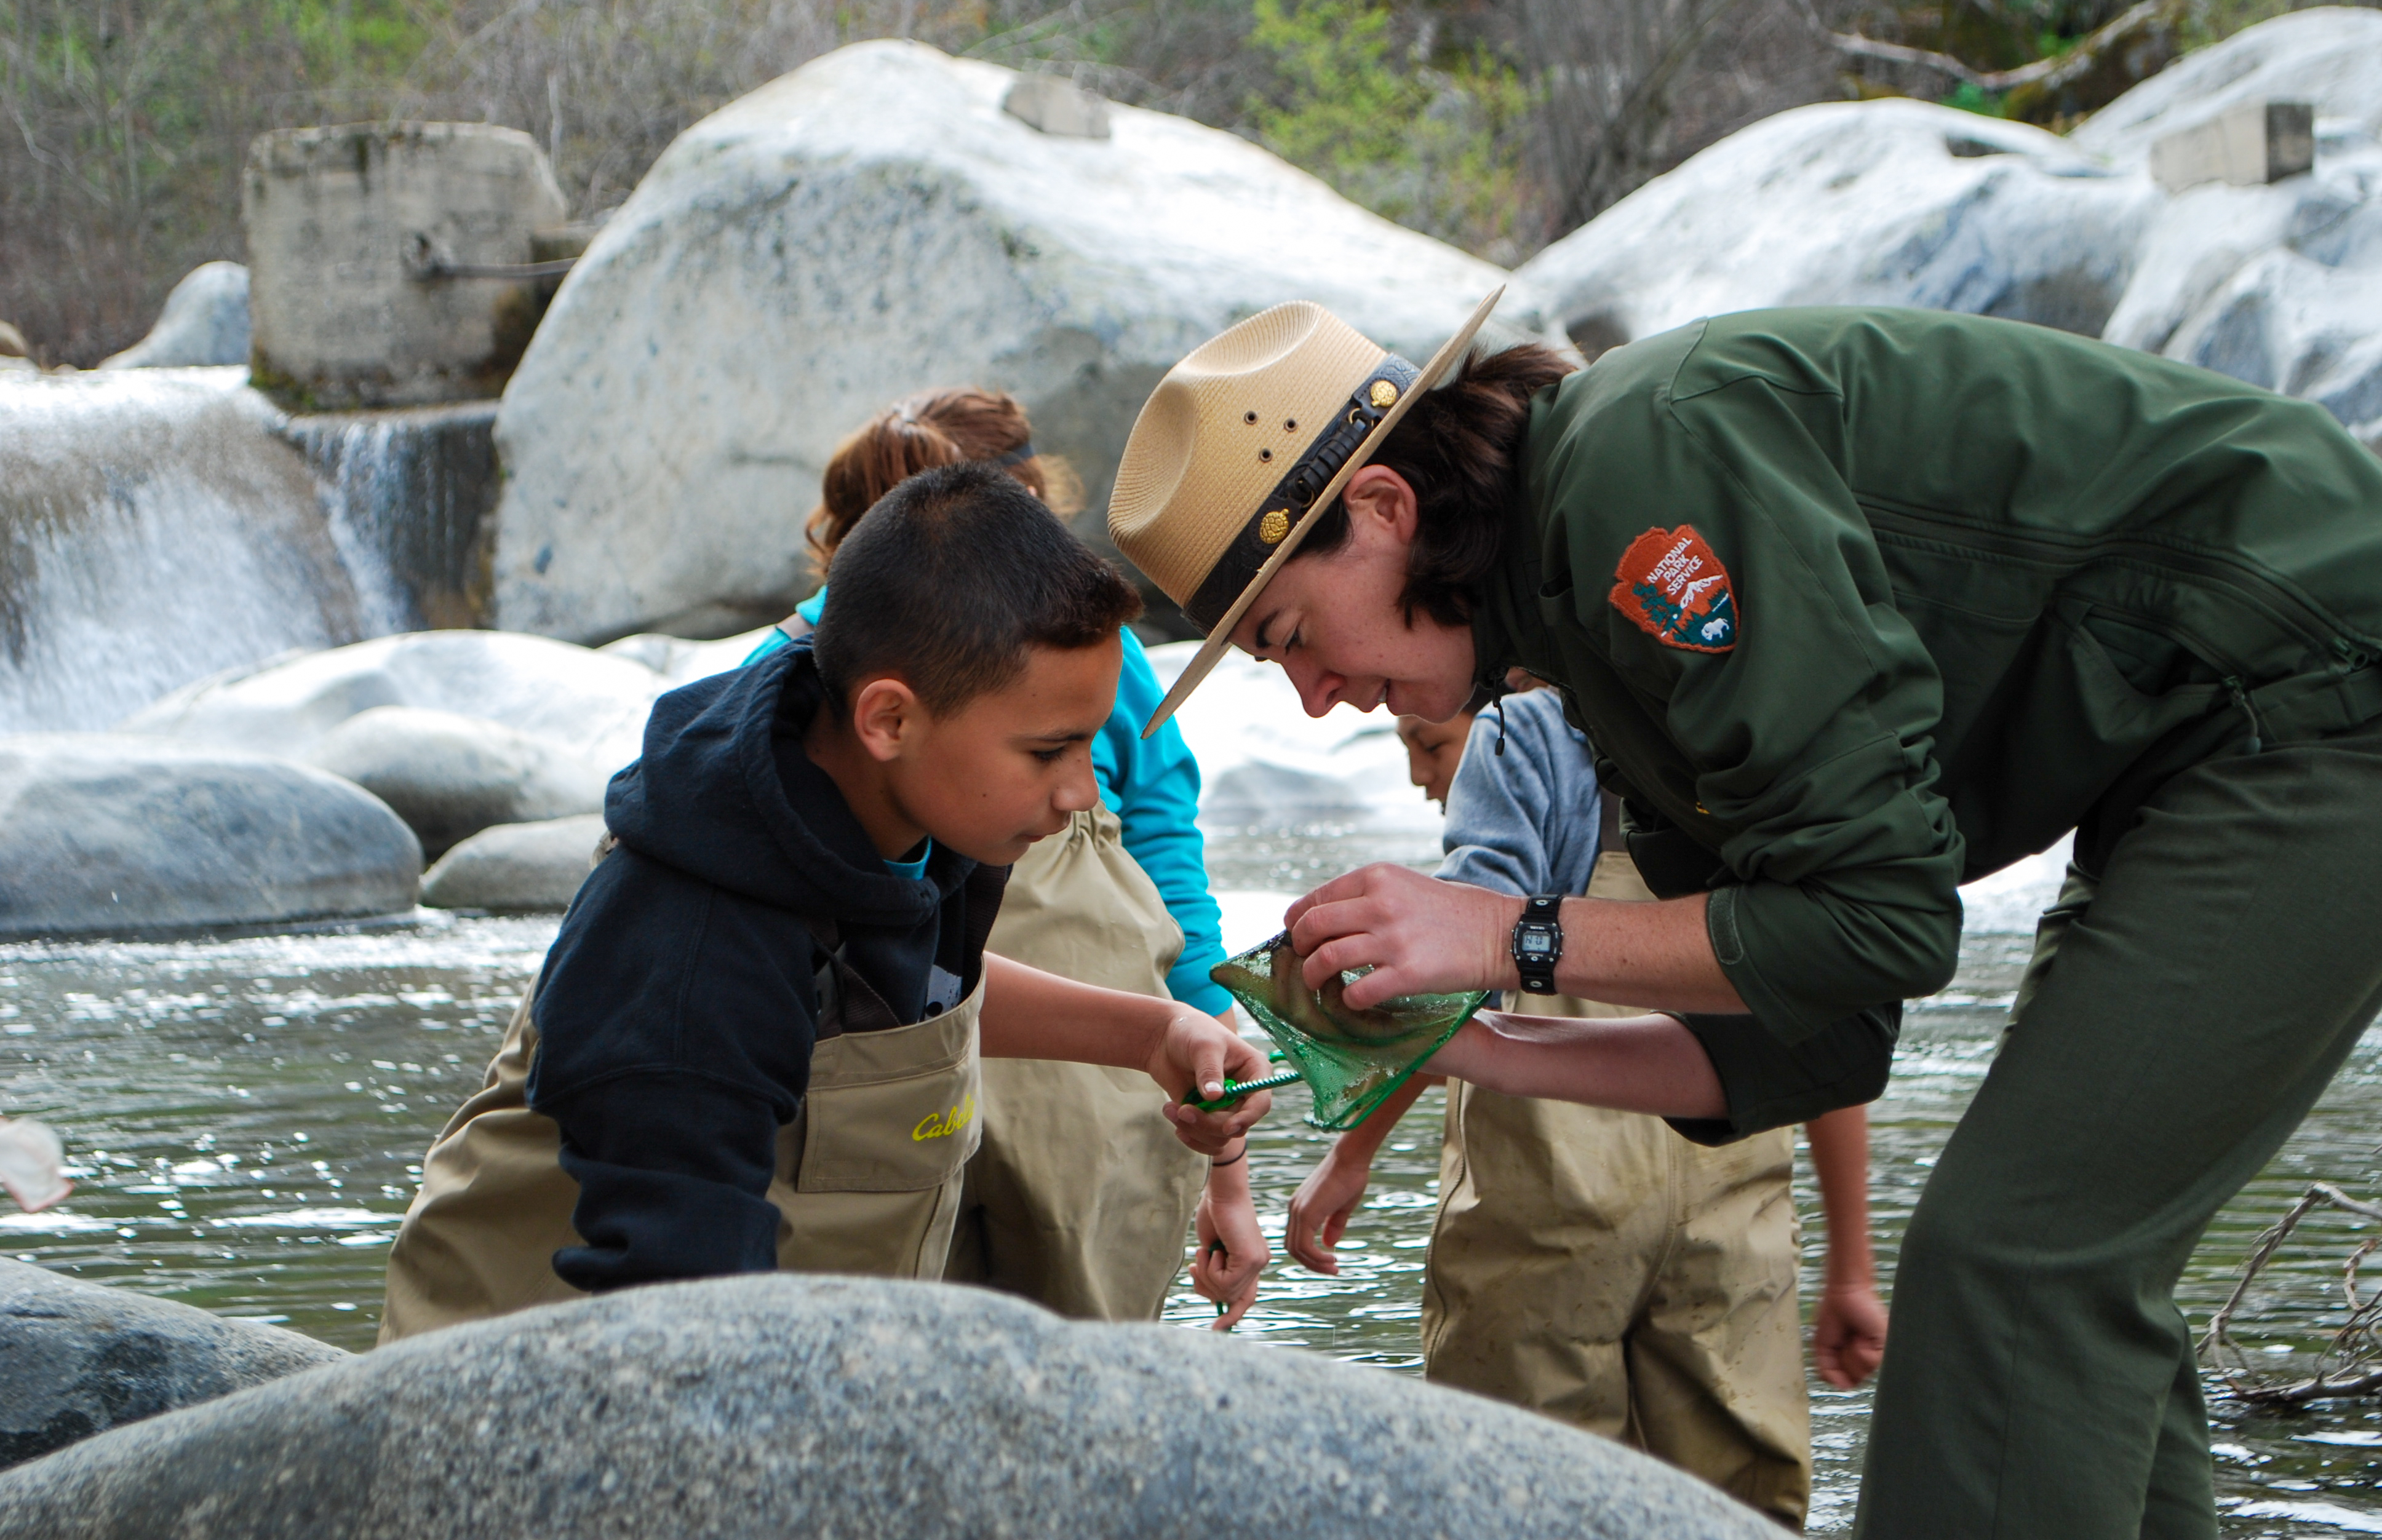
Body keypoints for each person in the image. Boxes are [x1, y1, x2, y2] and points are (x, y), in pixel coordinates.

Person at [1104, 296, 2382, 1538]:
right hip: (2193, 743)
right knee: (2066, 1271)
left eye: (1288, 637)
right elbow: (1815, 1032)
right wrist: (1464, 1040)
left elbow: (1884, 922)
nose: (1319, 700)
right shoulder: (1578, 645)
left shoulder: (1638, 472)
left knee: (2013, 1267)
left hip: (2311, 674)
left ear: (1383, 511)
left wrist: (1504, 932)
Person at [378, 462, 1270, 1340]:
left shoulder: (911, 822)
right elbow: (680, 1333)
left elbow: (904, 988)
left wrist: (1150, 1033)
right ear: (889, 720)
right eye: (1049, 752)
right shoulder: (693, 953)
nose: (1083, 792)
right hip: (544, 1409)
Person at [1289, 688, 1884, 1525]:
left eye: (1428, 747)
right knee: (1738, 1509)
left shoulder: (1517, 739)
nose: (1425, 778)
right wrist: (1851, 1267)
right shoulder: (1760, 731)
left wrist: (1351, 1148)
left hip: (1547, 1212)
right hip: (1733, 1220)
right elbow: (1824, 1031)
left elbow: (1449, 991)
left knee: (1526, 1497)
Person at [747, 387, 1262, 1327]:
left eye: (1078, 752)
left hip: (894, 1110)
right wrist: (1224, 1150)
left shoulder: (771, 689)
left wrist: (1189, 1069)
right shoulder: (1073, 655)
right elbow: (1168, 847)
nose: (1071, 792)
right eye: (1042, 754)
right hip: (1069, 1110)